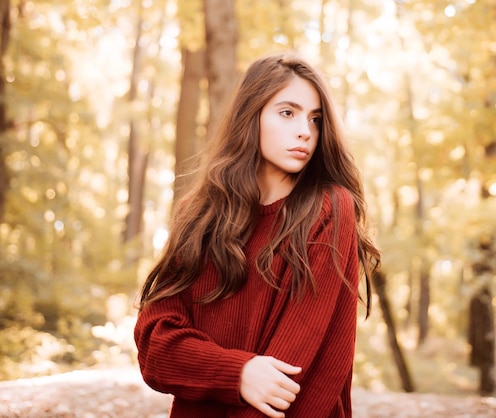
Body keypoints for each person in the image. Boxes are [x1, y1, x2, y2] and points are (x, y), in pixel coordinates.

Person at [134, 52, 381, 418]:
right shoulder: (199, 214)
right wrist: (237, 373)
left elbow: (296, 374)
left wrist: (211, 367)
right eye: (287, 112)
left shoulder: (330, 209)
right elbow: (156, 347)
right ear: (252, 116)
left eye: (316, 119)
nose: (305, 131)